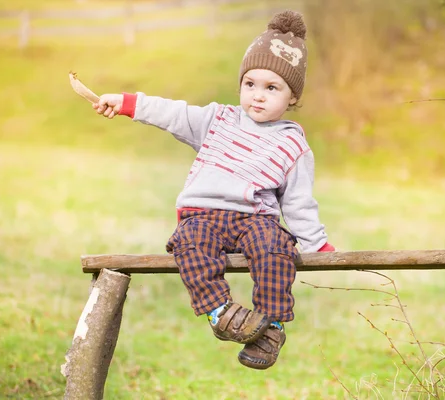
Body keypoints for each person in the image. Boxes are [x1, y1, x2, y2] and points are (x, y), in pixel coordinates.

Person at [92, 10, 335, 370]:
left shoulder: (292, 144)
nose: (257, 96)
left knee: (276, 249)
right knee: (190, 245)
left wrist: (317, 244)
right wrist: (128, 103)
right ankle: (220, 313)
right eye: (250, 84)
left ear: (293, 97)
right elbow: (172, 113)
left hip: (256, 219)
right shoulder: (217, 119)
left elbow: (298, 202)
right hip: (202, 214)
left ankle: (271, 327)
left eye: (272, 88)